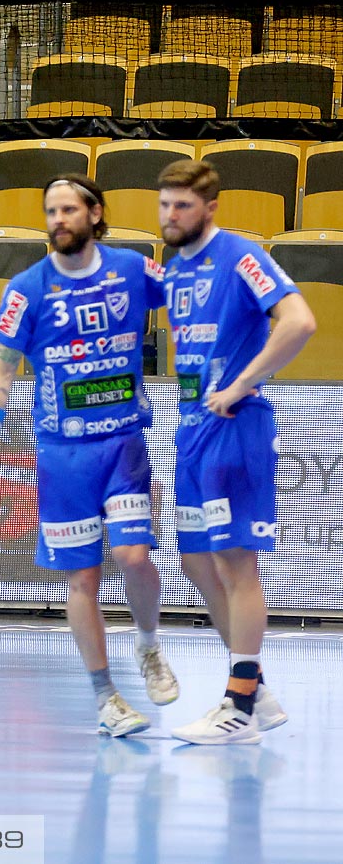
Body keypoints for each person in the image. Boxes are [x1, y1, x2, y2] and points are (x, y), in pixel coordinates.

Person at [0, 175, 178, 737]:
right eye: (50, 211)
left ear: (95, 213)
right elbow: (2, 366)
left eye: (68, 209)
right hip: (62, 456)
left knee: (135, 556)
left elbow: (187, 293)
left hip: (123, 446)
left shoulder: (133, 270)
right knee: (82, 578)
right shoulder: (27, 289)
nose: (58, 219)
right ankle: (106, 697)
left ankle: (150, 646)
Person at [157, 159, 315, 745]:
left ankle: (239, 706)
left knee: (235, 564)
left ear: (211, 207)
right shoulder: (173, 270)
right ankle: (259, 690)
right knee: (196, 562)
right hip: (191, 429)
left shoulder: (241, 255)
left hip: (234, 426)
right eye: (165, 204)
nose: (172, 215)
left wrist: (242, 384)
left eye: (183, 206)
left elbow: (299, 322)